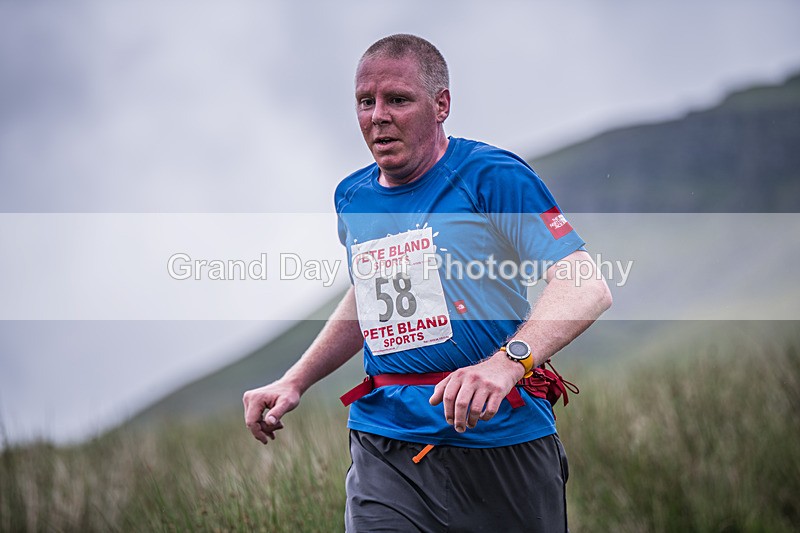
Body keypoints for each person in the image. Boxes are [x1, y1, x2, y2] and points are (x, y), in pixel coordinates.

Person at [243, 34, 612, 532]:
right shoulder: (353, 197)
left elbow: (586, 286)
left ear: (441, 106)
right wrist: (295, 379)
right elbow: (370, 295)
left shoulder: (491, 176)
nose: (378, 116)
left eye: (397, 99)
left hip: (499, 438)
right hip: (386, 443)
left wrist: (506, 365)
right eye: (365, 101)